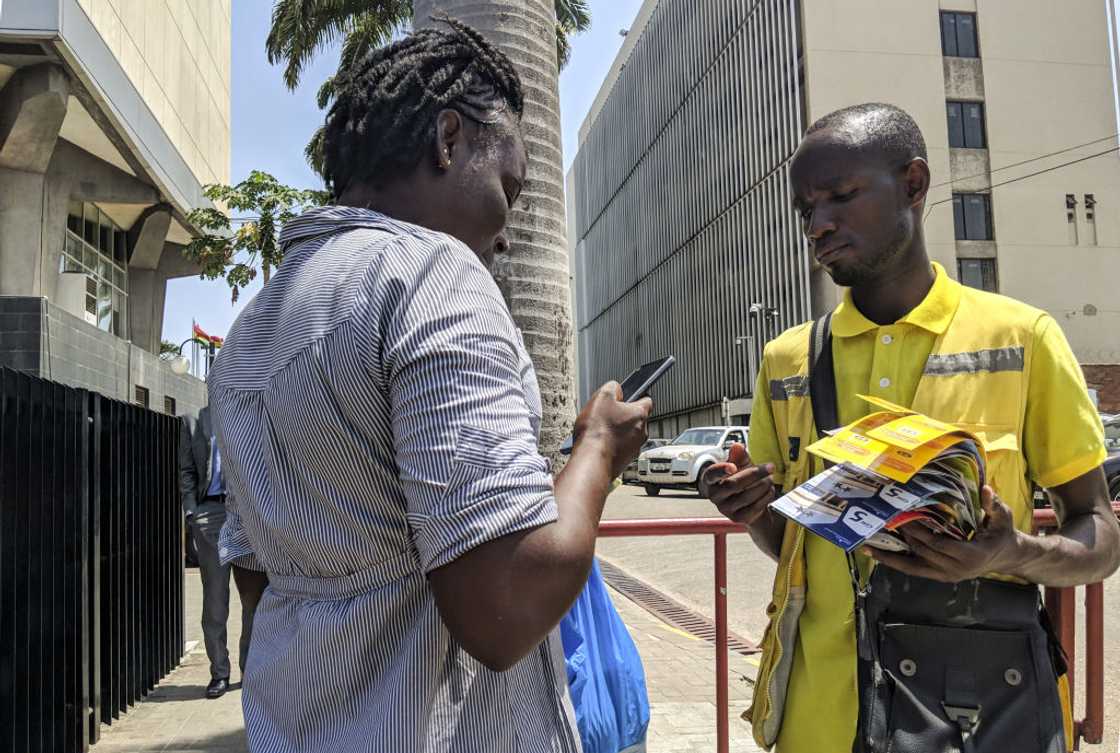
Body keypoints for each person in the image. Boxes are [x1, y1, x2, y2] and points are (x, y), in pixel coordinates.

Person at [206, 18, 650, 753]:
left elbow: (256, 574)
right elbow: (503, 607)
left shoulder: (251, 329)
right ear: (448, 139)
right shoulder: (432, 275)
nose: (505, 233)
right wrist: (598, 447)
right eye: (509, 188)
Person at [703, 103, 1120, 752]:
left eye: (841, 196)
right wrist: (753, 511)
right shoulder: (786, 361)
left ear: (914, 184)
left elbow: (1099, 534)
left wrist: (1010, 552)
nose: (817, 224)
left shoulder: (1022, 338)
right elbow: (797, 546)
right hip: (819, 721)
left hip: (975, 717)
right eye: (805, 208)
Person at [178, 407, 269, 699]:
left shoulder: (250, 416)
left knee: (253, 601)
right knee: (215, 601)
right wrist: (192, 512)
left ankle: (249, 671)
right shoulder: (195, 421)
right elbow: (186, 471)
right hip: (210, 514)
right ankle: (219, 673)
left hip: (246, 516)